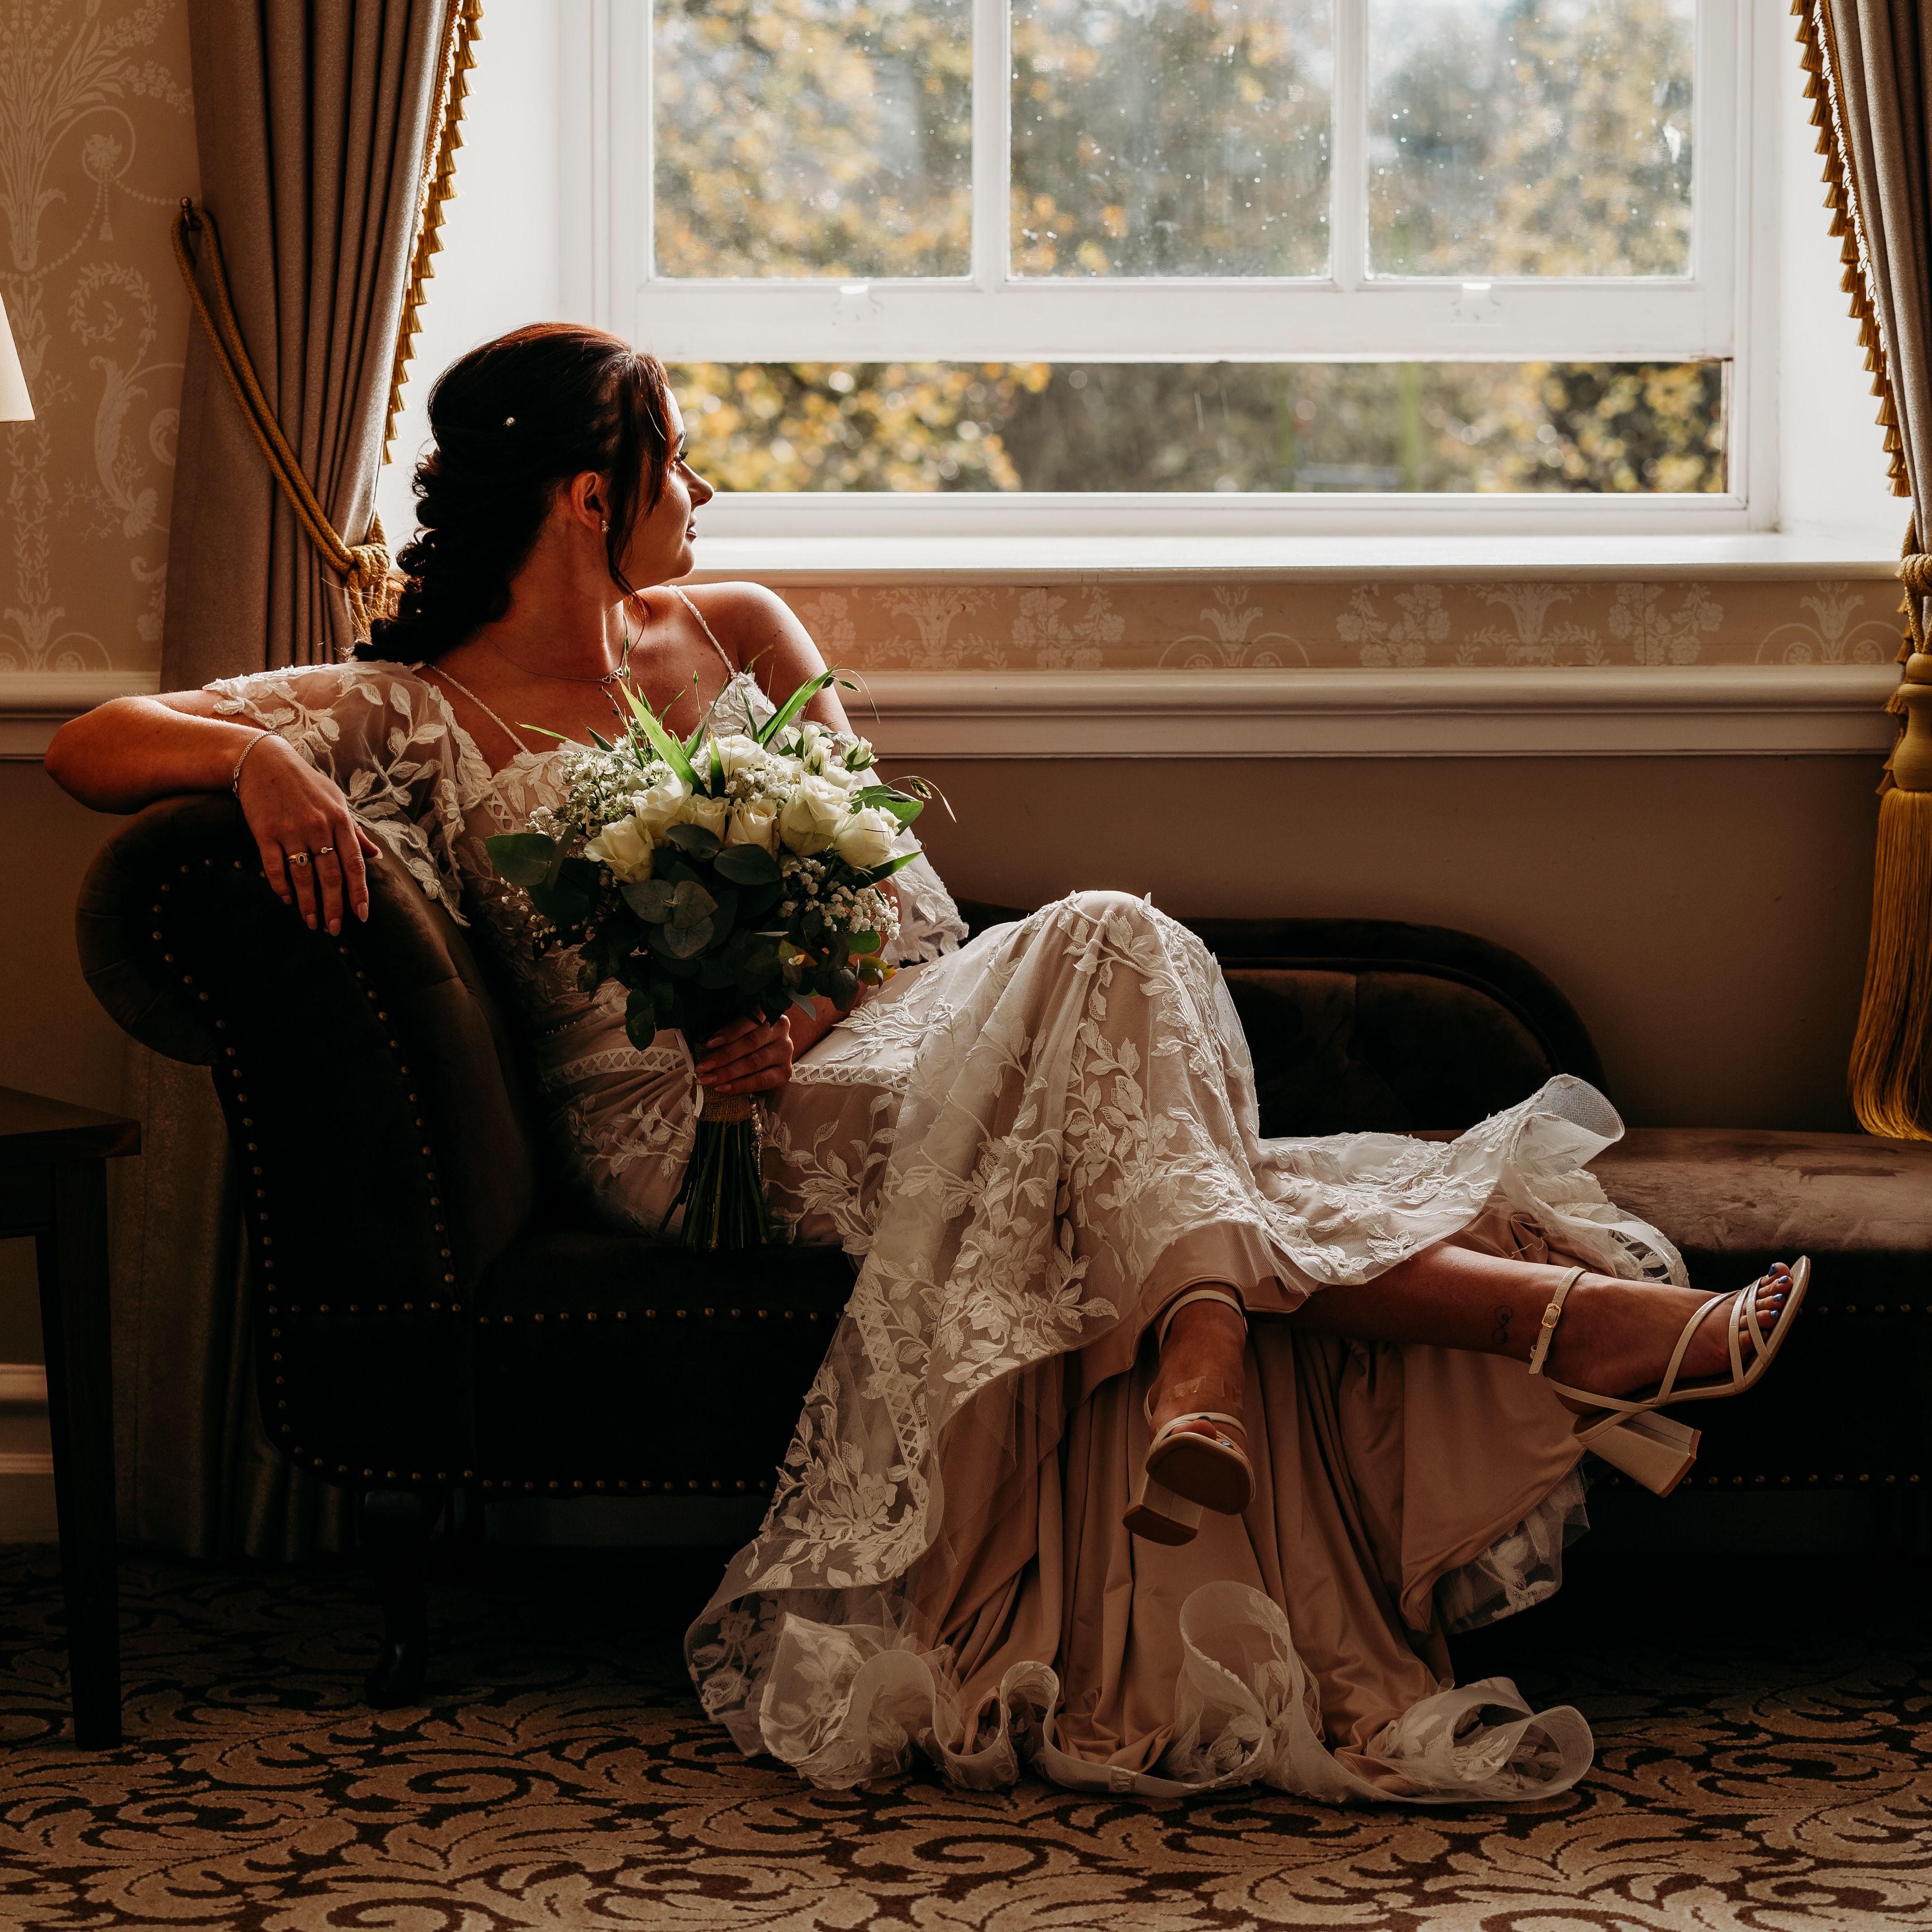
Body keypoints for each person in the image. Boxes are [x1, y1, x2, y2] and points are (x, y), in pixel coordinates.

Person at [44, 323, 1806, 1804]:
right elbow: (92, 739)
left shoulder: (734, 631)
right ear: (593, 495)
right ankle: (1540, 1321)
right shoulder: (407, 710)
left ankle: (1216, 1345)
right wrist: (254, 765)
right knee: (1125, 1036)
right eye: (677, 468)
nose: (704, 500)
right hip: (679, 1132)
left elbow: (913, 909)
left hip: (873, 1039)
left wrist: (800, 1012)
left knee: (1109, 930)